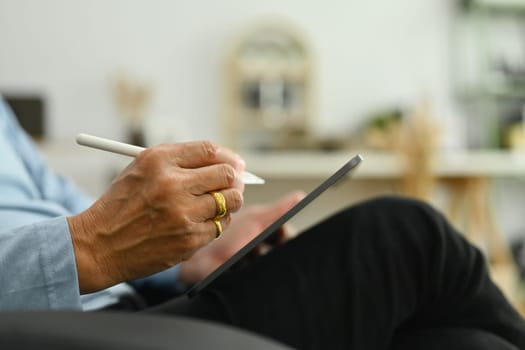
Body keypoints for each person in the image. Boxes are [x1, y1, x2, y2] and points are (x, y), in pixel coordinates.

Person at [1, 96, 524, 350]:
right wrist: (90, 248)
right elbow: (83, 234)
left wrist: (186, 267)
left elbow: (63, 206)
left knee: (462, 345)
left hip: (133, 304)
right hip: (50, 329)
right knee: (403, 237)